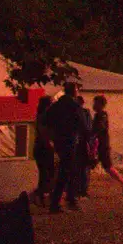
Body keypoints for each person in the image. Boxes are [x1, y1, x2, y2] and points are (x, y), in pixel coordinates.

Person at [41, 83, 87, 213]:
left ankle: (67, 200)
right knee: (68, 171)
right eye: (77, 89)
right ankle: (61, 202)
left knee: (67, 170)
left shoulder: (56, 106)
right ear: (74, 91)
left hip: (59, 141)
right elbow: (83, 124)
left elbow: (45, 120)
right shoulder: (74, 106)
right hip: (70, 140)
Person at [90, 95, 123, 195]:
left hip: (101, 145)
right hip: (99, 145)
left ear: (100, 104)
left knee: (108, 167)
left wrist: (92, 135)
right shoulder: (99, 115)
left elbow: (99, 128)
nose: (93, 105)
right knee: (91, 165)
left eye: (95, 103)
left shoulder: (101, 115)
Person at [32, 94, 57, 200]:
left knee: (44, 173)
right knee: (49, 172)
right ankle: (45, 195)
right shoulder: (44, 116)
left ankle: (42, 195)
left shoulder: (39, 115)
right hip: (44, 147)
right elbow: (45, 133)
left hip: (39, 147)